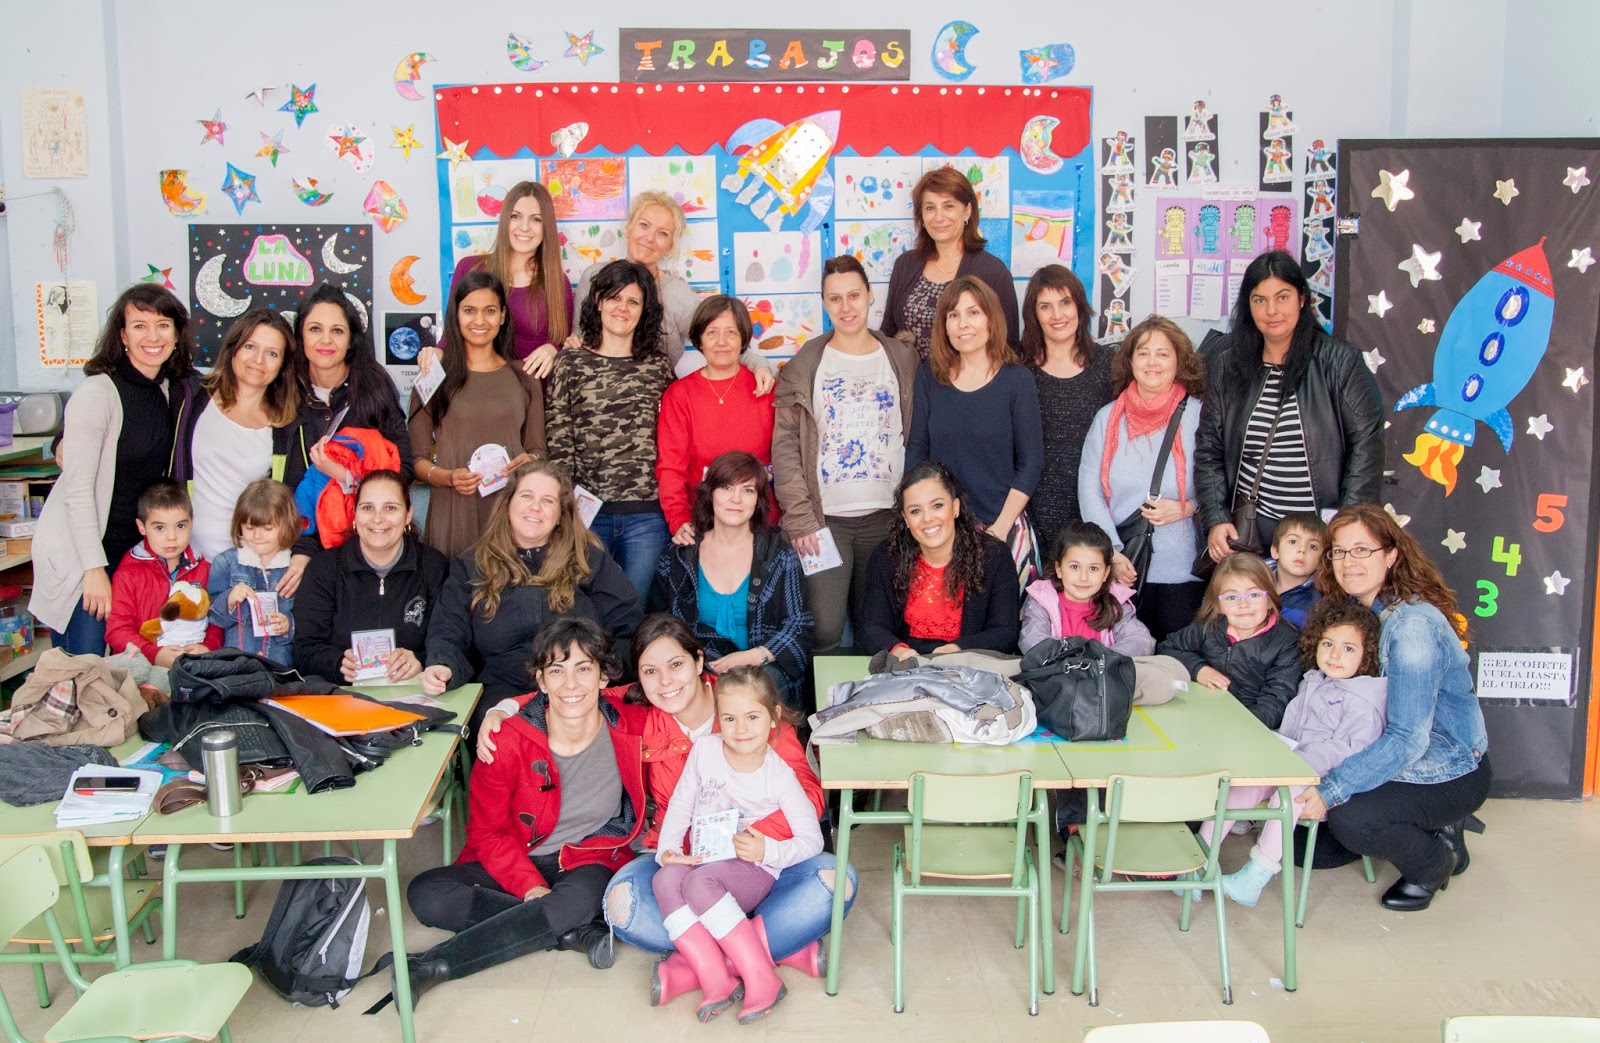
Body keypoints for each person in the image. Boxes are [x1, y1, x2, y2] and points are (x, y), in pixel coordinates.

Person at [477, 615, 845, 981]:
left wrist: (747, 842)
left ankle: (705, 963)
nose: (665, 682)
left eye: (676, 665)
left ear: (699, 662)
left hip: (764, 858)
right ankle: (764, 949)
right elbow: (575, 691)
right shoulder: (642, 716)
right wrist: (505, 708)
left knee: (836, 881)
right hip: (682, 863)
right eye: (650, 672)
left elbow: (810, 796)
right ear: (639, 679)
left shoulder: (745, 704)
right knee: (622, 906)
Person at [378, 619, 649, 1012]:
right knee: (426, 893)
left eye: (583, 669)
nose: (571, 685)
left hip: (588, 857)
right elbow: (487, 833)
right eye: (557, 671)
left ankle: (433, 966)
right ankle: (567, 932)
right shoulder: (505, 740)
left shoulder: (628, 718)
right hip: (518, 858)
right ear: (540, 681)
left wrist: (505, 704)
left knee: (576, 900)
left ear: (603, 677)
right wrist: (529, 888)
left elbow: (680, 689)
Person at [1304, 504, 1491, 912]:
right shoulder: (1359, 611)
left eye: (1362, 550)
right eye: (1339, 551)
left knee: (1349, 819)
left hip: (1447, 764)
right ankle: (1435, 824)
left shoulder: (1411, 629)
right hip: (1385, 743)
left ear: (1391, 555)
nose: (1348, 562)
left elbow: (1408, 738)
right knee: (1311, 849)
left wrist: (1332, 789)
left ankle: (1435, 864)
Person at [31, 284, 201, 655]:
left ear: (177, 333)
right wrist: (92, 569)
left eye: (162, 325)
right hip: (87, 555)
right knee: (83, 668)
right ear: (122, 335)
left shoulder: (174, 390)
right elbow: (77, 490)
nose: (152, 336)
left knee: (130, 671)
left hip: (134, 555)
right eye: (139, 326)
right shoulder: (99, 392)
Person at [652, 666, 823, 1023]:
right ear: (718, 718)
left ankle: (761, 976)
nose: (741, 729)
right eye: (729, 718)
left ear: (774, 718)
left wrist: (768, 851)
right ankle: (716, 978)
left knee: (700, 883)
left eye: (752, 717)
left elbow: (812, 841)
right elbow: (682, 803)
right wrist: (668, 848)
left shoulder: (779, 776)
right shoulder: (705, 750)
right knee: (664, 878)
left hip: (753, 870)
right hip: (706, 859)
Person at [421, 459, 641, 732]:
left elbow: (628, 627)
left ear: (561, 514)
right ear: (508, 504)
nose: (535, 507)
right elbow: (448, 629)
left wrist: (604, 670)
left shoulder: (589, 560)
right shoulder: (472, 564)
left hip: (579, 686)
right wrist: (443, 665)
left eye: (548, 501)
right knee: (502, 736)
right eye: (527, 496)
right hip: (504, 688)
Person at [1195, 250, 1384, 563]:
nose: (1271, 310)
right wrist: (1216, 517)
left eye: (1282, 297)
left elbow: (1366, 448)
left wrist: (1345, 528)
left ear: (1302, 299)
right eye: (1259, 300)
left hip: (1319, 536)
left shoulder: (1338, 363)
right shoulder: (1227, 364)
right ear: (1248, 305)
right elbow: (1209, 448)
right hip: (1250, 534)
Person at [773, 255, 917, 654]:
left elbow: (918, 433)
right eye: (834, 298)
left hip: (888, 518)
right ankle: (824, 713)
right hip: (824, 523)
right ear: (823, 302)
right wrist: (800, 519)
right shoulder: (806, 363)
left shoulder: (901, 359)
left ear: (871, 296)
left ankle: (877, 713)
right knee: (825, 630)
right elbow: (784, 447)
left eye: (854, 295)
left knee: (880, 629)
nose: (846, 306)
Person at [1204, 598, 1387, 907]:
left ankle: (1255, 876)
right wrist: (1275, 746)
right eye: (1328, 643)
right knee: (1239, 785)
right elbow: (1292, 731)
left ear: (1366, 656)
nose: (1334, 655)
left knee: (1287, 793)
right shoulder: (1313, 681)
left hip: (1326, 785)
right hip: (1290, 763)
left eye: (1348, 648)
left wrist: (1294, 759)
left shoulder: (1365, 701)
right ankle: (1200, 861)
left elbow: (1350, 751)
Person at [547, 260, 675, 597]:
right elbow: (560, 442)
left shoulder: (657, 364)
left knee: (634, 613)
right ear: (599, 301)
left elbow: (673, 437)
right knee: (588, 614)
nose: (623, 308)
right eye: (615, 298)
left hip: (647, 517)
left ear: (644, 310)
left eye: (633, 301)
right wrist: (565, 512)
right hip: (588, 515)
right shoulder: (570, 362)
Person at [648, 452, 813, 710]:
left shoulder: (778, 553)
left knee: (748, 696)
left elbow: (800, 626)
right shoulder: (681, 555)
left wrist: (751, 657)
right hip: (698, 671)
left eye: (747, 490)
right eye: (726, 488)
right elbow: (658, 625)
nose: (736, 499)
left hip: (762, 671)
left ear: (758, 499)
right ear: (710, 494)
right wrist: (697, 664)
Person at [1078, 316, 1207, 642]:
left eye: (1163, 354)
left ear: (1179, 361)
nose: (1152, 362)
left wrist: (1188, 507)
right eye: (1144, 353)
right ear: (1130, 360)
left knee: (1176, 666)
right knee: (1124, 665)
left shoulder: (1200, 416)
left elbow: (1223, 480)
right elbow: (1089, 487)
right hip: (1124, 567)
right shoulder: (1107, 418)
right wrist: (1112, 552)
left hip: (1181, 571)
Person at [906, 277, 1043, 582]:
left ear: (991, 320)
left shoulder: (1016, 380)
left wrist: (1000, 529)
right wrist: (919, 517)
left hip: (1002, 529)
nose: (963, 324)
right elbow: (917, 449)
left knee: (1008, 627)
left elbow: (1031, 463)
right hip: (941, 534)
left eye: (973, 313)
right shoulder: (929, 376)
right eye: (953, 315)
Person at [573, 191, 773, 389]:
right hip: (596, 393)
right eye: (644, 225)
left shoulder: (675, 292)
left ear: (670, 247)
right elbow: (578, 338)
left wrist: (758, 365)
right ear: (628, 229)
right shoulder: (595, 277)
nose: (650, 238)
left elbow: (714, 337)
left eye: (663, 233)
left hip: (655, 397)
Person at [408, 270, 545, 559]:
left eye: (490, 311)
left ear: (503, 316)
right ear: (455, 316)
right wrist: (447, 477)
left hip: (511, 514)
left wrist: (529, 462)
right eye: (469, 310)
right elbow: (416, 461)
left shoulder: (525, 376)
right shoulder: (433, 375)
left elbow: (538, 452)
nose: (480, 321)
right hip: (454, 512)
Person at [280, 283, 412, 567]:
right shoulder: (282, 392)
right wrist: (304, 548)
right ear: (299, 335)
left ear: (351, 339)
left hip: (367, 543)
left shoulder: (374, 388)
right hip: (300, 542)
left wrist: (346, 476)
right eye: (315, 329)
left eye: (337, 331)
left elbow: (404, 471)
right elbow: (285, 483)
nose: (325, 340)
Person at [291, 470, 448, 684]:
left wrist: (421, 661)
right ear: (354, 513)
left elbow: (453, 643)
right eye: (367, 508)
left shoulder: (434, 567)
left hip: (415, 696)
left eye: (390, 508)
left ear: (409, 514)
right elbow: (304, 650)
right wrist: (338, 665)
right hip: (340, 700)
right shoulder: (324, 569)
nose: (377, 519)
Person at [172, 308, 299, 561]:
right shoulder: (191, 396)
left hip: (246, 564)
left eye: (272, 353)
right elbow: (139, 402)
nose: (259, 360)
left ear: (283, 365)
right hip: (186, 558)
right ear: (234, 347)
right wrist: (68, 433)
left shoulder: (286, 426)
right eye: (250, 347)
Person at [860, 462, 1021, 658]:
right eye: (915, 511)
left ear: (955, 507)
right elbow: (873, 628)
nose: (927, 518)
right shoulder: (886, 556)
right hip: (906, 667)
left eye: (937, 506)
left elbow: (1005, 633)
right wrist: (899, 651)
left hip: (971, 668)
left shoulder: (994, 556)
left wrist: (957, 650)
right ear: (905, 519)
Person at [657, 297, 775, 545]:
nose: (721, 342)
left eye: (730, 332)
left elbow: (785, 458)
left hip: (761, 525)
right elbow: (671, 467)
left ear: (743, 338)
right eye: (712, 332)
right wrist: (678, 519)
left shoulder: (764, 389)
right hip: (702, 526)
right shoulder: (679, 395)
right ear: (699, 339)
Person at [881, 166, 1019, 358]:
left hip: (967, 385)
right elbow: (888, 333)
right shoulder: (905, 265)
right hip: (911, 383)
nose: (939, 217)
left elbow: (1008, 345)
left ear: (967, 211)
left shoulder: (992, 271)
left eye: (948, 206)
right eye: (930, 208)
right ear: (921, 215)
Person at [1157, 552, 1302, 729]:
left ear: (1271, 599)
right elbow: (1167, 648)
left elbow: (1277, 697)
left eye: (1254, 595)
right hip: (1201, 717)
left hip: (1250, 726)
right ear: (1218, 605)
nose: (1243, 604)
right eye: (1232, 597)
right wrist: (1199, 669)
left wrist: (1240, 726)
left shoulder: (1286, 641)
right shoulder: (1209, 626)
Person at [1022, 265, 1114, 540]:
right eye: (1045, 306)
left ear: (1079, 306)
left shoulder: (1108, 364)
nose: (1057, 315)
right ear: (1034, 315)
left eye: (1065, 302)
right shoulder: (1018, 366)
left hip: (1093, 506)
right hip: (1030, 508)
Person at [448, 181, 572, 375]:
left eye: (536, 219)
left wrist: (553, 349)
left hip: (535, 395)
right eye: (515, 216)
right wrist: (435, 352)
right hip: (478, 388)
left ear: (547, 227)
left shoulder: (556, 281)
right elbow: (451, 333)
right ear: (505, 220)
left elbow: (563, 338)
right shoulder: (470, 268)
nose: (524, 227)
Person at [105, 481, 222, 666]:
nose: (171, 537)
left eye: (180, 526)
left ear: (192, 521)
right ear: (142, 527)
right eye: (160, 528)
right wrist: (153, 654)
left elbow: (218, 620)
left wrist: (208, 647)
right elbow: (117, 630)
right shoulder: (128, 573)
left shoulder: (205, 569)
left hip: (195, 666)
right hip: (143, 666)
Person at [1020, 521, 1155, 657]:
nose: (1083, 577)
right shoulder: (1042, 600)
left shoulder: (1115, 601)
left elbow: (1142, 641)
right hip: (1056, 676)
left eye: (1093, 568)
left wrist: (1100, 660)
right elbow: (1032, 641)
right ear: (1059, 569)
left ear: (1106, 573)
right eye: (1074, 567)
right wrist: (1076, 660)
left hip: (1101, 675)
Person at [205, 479, 297, 663]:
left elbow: (312, 621)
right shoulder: (226, 562)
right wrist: (229, 600)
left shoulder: (295, 568)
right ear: (238, 525)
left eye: (268, 528)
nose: (257, 536)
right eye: (249, 528)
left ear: (287, 524)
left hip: (280, 667)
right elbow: (211, 617)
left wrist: (289, 625)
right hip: (236, 669)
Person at [1267, 511, 1327, 628]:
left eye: (1312, 546)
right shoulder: (1253, 579)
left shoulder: (1319, 602)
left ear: (1321, 561)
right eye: (1293, 541)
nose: (1302, 549)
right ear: (1275, 550)